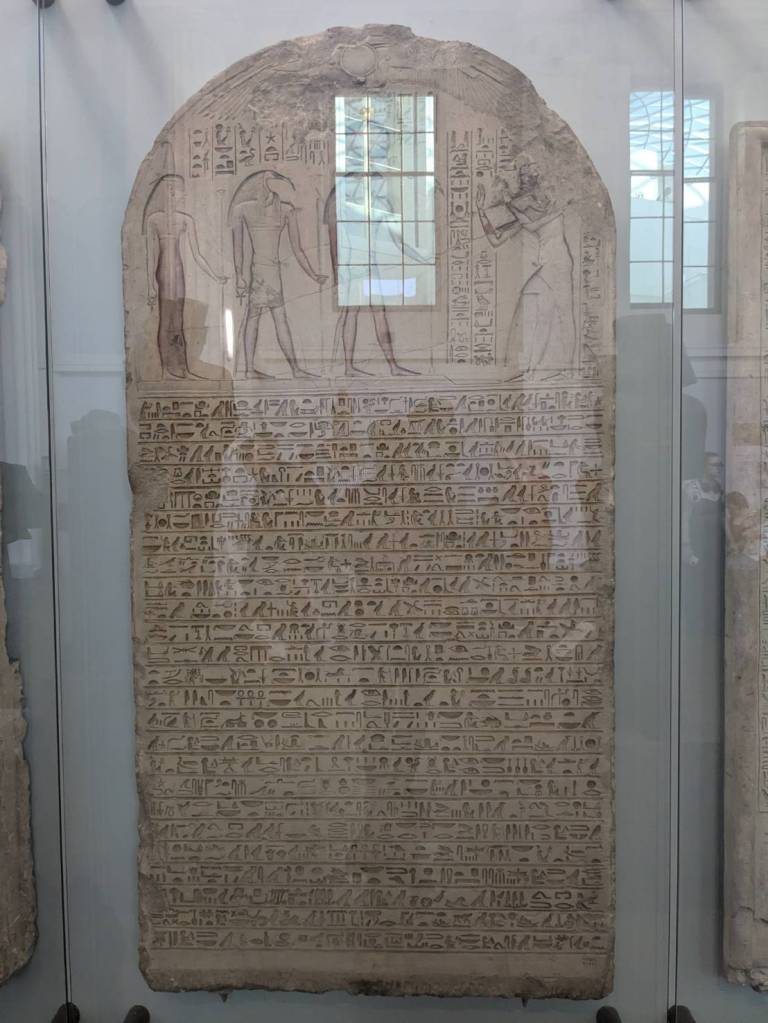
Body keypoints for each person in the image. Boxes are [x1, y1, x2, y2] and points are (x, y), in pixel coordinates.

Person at [476, 159, 578, 376]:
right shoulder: (521, 205)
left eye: (526, 175)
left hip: (559, 261)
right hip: (544, 264)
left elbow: (538, 220)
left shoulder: (550, 198)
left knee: (564, 311)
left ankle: (568, 368)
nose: (522, 179)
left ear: (536, 176)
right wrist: (481, 211)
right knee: (542, 314)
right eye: (520, 176)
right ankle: (532, 369)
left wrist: (552, 209)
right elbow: (496, 239)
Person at [324, 173, 423, 377]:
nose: (380, 190)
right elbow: (334, 242)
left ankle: (393, 366)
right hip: (351, 266)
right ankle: (349, 367)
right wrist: (337, 275)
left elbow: (398, 240)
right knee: (352, 313)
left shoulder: (378, 204)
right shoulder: (341, 202)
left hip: (370, 266)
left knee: (379, 313)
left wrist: (421, 257)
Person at [231, 170, 326, 379]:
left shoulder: (285, 210)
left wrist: (313, 275)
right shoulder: (244, 209)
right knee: (270, 318)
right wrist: (238, 276)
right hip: (263, 272)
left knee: (257, 318)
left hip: (265, 271)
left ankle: (253, 370)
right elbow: (237, 247)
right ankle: (288, 370)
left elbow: (297, 249)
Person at [144, 174, 226, 379]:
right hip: (164, 274)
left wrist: (216, 276)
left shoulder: (185, 219)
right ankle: (165, 370)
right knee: (165, 322)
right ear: (170, 192)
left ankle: (182, 368)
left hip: (179, 273)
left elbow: (197, 255)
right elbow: (151, 255)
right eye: (181, 190)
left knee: (179, 322)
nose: (184, 194)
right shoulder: (154, 219)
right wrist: (150, 284)